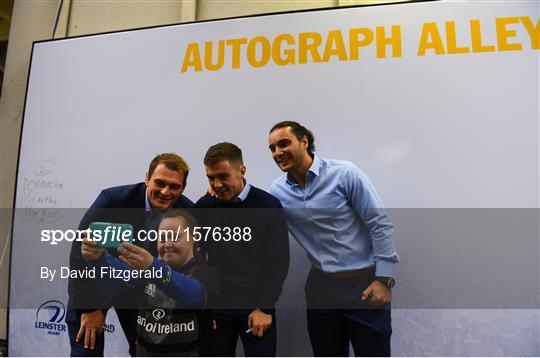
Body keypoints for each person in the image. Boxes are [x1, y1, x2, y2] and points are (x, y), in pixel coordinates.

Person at [267, 121, 399, 357]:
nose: (277, 153)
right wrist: (219, 191)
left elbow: (379, 224)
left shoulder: (344, 173)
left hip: (364, 285)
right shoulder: (276, 192)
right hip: (321, 289)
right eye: (272, 148)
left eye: (283, 144)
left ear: (304, 141)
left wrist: (384, 279)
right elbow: (255, 215)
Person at [67, 153, 194, 356]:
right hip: (96, 286)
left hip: (141, 293)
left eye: (174, 186)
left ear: (183, 187)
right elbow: (79, 253)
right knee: (86, 351)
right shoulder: (112, 200)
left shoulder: (188, 212)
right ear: (147, 178)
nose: (165, 191)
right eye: (159, 183)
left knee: (147, 351)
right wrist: (88, 309)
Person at [80, 209, 219, 356]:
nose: (167, 244)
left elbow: (194, 295)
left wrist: (152, 268)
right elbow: (123, 276)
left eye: (175, 237)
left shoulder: (205, 273)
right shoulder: (149, 267)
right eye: (162, 239)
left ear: (194, 237)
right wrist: (98, 258)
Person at [195, 142, 290, 356]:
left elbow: (279, 260)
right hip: (216, 310)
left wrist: (265, 307)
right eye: (211, 178)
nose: (217, 184)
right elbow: (192, 256)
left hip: (257, 309)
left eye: (223, 176)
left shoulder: (268, 205)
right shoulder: (204, 206)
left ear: (242, 170)